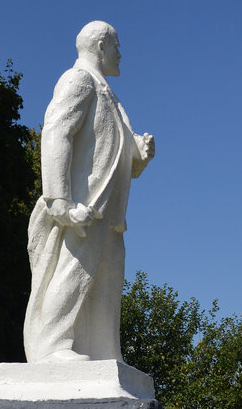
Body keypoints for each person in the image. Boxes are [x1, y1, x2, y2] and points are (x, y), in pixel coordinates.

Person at [23, 21, 155, 363]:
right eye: (116, 46)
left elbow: (119, 156)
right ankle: (52, 347)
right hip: (82, 206)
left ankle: (103, 352)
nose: (120, 53)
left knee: (106, 283)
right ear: (100, 47)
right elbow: (56, 133)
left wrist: (139, 153)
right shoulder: (78, 80)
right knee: (72, 272)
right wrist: (59, 200)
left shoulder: (110, 96)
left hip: (109, 212)